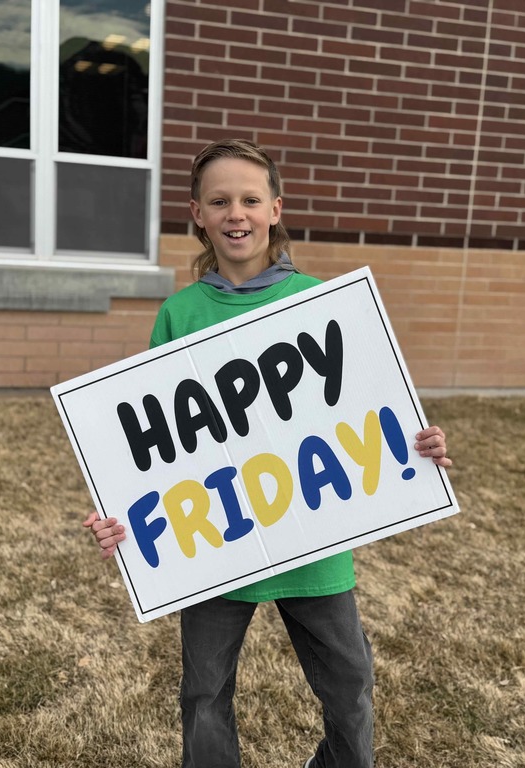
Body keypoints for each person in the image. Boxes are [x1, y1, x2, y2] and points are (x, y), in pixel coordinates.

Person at [82, 138, 452, 768]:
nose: (237, 213)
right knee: (203, 692)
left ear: (275, 208)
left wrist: (417, 447)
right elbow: (155, 442)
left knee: (350, 688)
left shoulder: (323, 302)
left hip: (313, 539)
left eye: (251, 199)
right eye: (220, 200)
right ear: (197, 214)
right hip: (215, 545)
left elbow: (367, 408)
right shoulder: (179, 313)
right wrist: (120, 511)